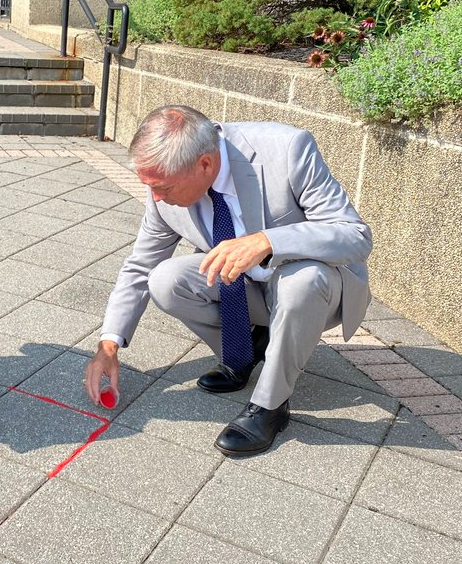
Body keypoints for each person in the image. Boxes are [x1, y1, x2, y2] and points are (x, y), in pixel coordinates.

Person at [84, 106, 372, 456]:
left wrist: (268, 240)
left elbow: (355, 236)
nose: (156, 197)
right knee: (165, 279)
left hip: (315, 288)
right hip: (249, 288)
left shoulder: (288, 148)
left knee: (303, 279)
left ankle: (270, 406)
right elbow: (140, 266)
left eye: (162, 187)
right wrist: (108, 345)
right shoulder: (164, 185)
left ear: (204, 164)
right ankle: (243, 353)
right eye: (150, 187)